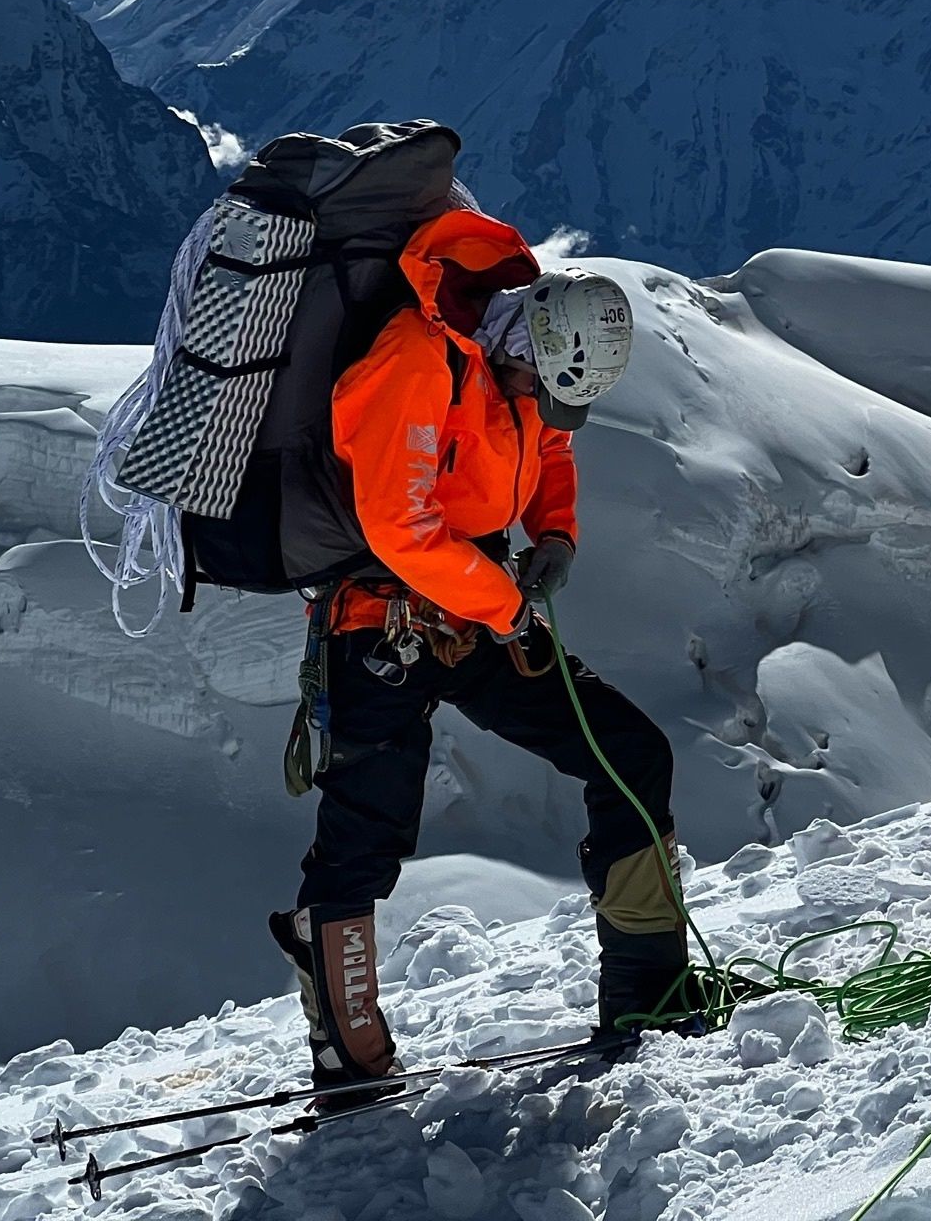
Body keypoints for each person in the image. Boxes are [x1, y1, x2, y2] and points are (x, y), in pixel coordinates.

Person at [267, 206, 675, 1088]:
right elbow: (400, 526)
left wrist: (554, 533)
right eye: (540, 387)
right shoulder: (414, 363)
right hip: (381, 624)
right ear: (526, 339)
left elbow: (549, 448)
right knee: (362, 844)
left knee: (628, 751)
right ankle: (348, 1051)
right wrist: (503, 605)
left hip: (475, 610)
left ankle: (652, 987)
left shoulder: (518, 364)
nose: (543, 406)